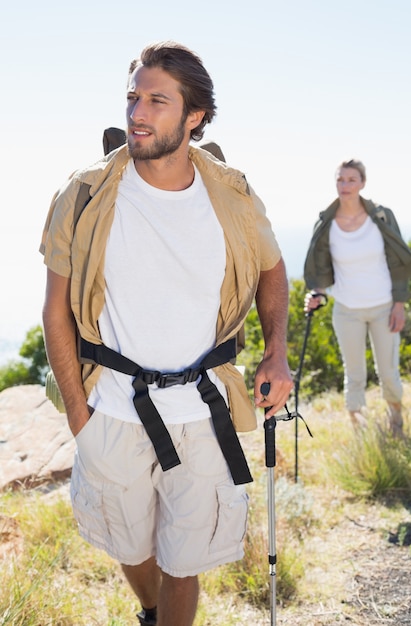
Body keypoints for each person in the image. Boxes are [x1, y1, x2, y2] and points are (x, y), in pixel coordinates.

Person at [40, 41, 293, 626]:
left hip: (203, 413)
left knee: (187, 558)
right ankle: (150, 610)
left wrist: (275, 352)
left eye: (157, 100)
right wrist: (81, 414)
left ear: (195, 115)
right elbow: (56, 310)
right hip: (111, 411)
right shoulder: (84, 195)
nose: (138, 112)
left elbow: (269, 266)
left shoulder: (230, 191)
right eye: (133, 97)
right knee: (132, 549)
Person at [304, 159, 411, 436]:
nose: (345, 185)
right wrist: (316, 293)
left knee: (389, 372)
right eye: (340, 180)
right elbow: (321, 269)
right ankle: (360, 432)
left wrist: (399, 305)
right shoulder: (326, 223)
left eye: (351, 180)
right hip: (346, 310)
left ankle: (396, 426)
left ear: (362, 183)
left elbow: (398, 264)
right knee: (354, 373)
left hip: (383, 308)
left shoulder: (381, 217)